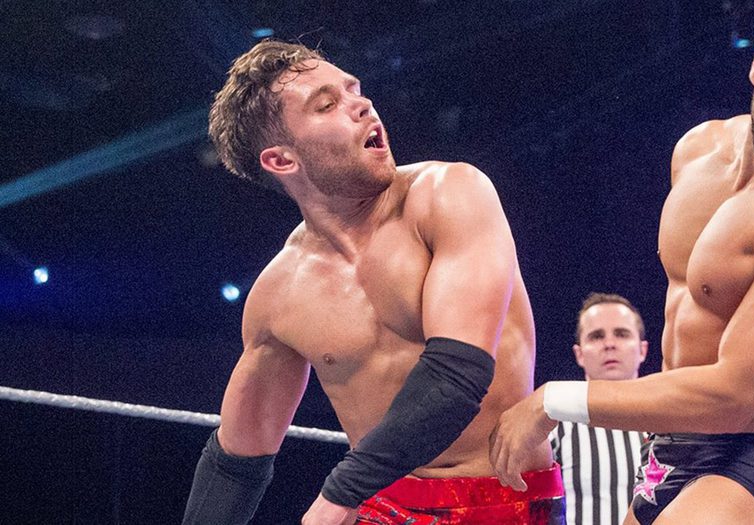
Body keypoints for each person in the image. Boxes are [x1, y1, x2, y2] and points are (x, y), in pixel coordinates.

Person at [490, 1, 754, 523]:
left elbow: (733, 395)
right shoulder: (698, 151)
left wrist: (552, 400)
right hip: (663, 452)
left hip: (747, 462)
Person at [182, 40, 561, 525]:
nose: (361, 105)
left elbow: (458, 374)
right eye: (327, 104)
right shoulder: (278, 296)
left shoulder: (449, 195)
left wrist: (339, 494)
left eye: (354, 90)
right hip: (383, 505)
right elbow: (235, 464)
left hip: (503, 501)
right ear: (282, 160)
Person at [551, 293, 649, 525]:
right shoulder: (554, 426)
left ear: (642, 350)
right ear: (579, 354)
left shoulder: (670, 425)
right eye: (597, 336)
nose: (609, 344)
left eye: (621, 334)